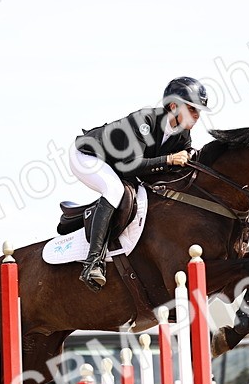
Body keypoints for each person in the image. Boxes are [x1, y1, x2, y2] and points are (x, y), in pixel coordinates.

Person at [71, 76, 210, 292]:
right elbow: (128, 166)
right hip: (88, 156)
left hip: (117, 164)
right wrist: (168, 160)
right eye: (192, 109)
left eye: (199, 112)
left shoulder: (183, 132)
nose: (197, 116)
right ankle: (93, 262)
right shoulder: (144, 121)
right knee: (115, 190)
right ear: (173, 106)